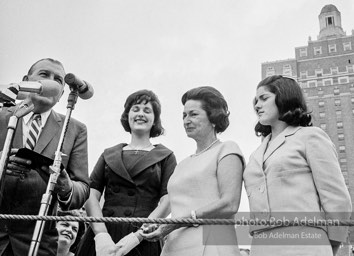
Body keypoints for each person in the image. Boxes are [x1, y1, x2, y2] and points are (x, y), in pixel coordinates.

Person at [243, 75, 352, 256]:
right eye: (256, 100)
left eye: (264, 98)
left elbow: (337, 199)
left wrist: (327, 245)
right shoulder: (255, 154)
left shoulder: (310, 137)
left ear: (283, 98)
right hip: (261, 246)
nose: (257, 105)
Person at [0, 58, 90, 255]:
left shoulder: (74, 129)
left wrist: (66, 188)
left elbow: (82, 187)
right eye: (44, 75)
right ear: (26, 80)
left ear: (62, 94)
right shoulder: (2, 116)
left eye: (58, 80)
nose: (51, 82)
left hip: (39, 241)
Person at [142, 86, 245, 256]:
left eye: (193, 114)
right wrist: (159, 225)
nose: (186, 120)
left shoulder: (227, 149)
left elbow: (229, 203)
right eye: (184, 115)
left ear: (213, 117)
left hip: (212, 245)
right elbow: (174, 207)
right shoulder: (182, 164)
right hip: (174, 247)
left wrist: (176, 222)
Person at [75, 89, 177, 256]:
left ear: (155, 120)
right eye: (135, 109)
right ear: (127, 115)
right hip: (103, 232)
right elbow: (90, 195)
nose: (140, 114)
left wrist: (137, 237)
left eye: (147, 110)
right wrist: (101, 235)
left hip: (143, 237)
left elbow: (168, 201)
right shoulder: (108, 154)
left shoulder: (166, 156)